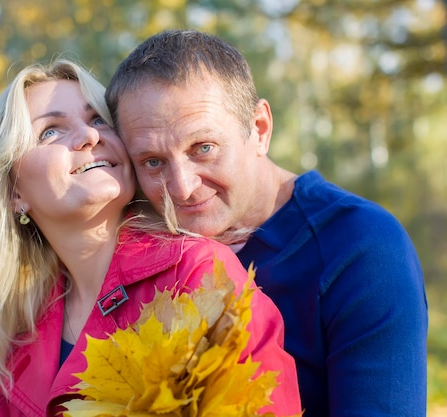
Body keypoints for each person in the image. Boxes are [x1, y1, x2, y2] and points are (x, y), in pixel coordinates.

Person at [105, 29, 427, 417]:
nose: (183, 187)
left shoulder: (361, 248)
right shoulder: (129, 250)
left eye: (203, 148)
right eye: (153, 162)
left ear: (259, 129)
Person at [0, 59, 302, 417]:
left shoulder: (197, 273)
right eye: (50, 131)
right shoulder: (16, 342)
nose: (90, 136)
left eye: (97, 119)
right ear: (14, 192)